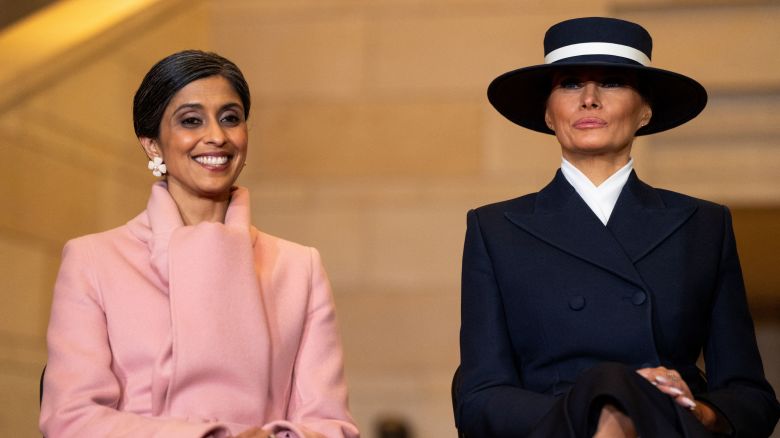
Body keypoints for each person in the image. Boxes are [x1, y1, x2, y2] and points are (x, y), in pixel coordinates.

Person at [455, 17, 780, 438]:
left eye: (611, 82)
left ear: (645, 111)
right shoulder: (494, 228)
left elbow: (751, 395)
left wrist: (696, 411)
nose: (589, 99)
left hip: (669, 426)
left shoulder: (705, 225)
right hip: (556, 429)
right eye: (570, 84)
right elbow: (479, 397)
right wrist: (591, 411)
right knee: (608, 386)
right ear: (549, 114)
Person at [39, 50, 360, 438]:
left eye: (230, 118)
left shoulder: (299, 267)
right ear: (152, 144)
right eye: (191, 120)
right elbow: (71, 419)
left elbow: (330, 424)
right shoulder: (93, 260)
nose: (217, 136)